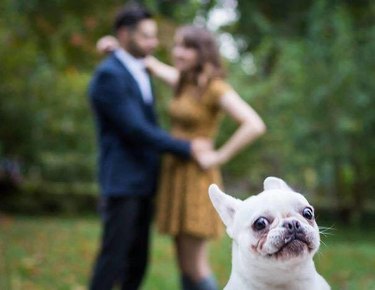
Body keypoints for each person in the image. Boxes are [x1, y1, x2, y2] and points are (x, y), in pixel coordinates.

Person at [97, 25, 266, 290]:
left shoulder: (215, 87)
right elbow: (148, 61)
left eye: (186, 47)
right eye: (176, 45)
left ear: (202, 52)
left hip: (196, 177)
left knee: (195, 266)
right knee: (184, 263)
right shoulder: (183, 82)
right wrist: (117, 46)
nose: (177, 52)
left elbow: (254, 124)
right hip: (176, 175)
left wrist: (218, 156)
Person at [88, 6, 211, 290]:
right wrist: (187, 147)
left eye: (154, 36)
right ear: (123, 34)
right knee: (114, 258)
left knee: (138, 259)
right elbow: (135, 129)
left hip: (144, 180)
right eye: (146, 37)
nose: (153, 43)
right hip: (122, 182)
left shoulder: (139, 67)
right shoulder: (109, 75)